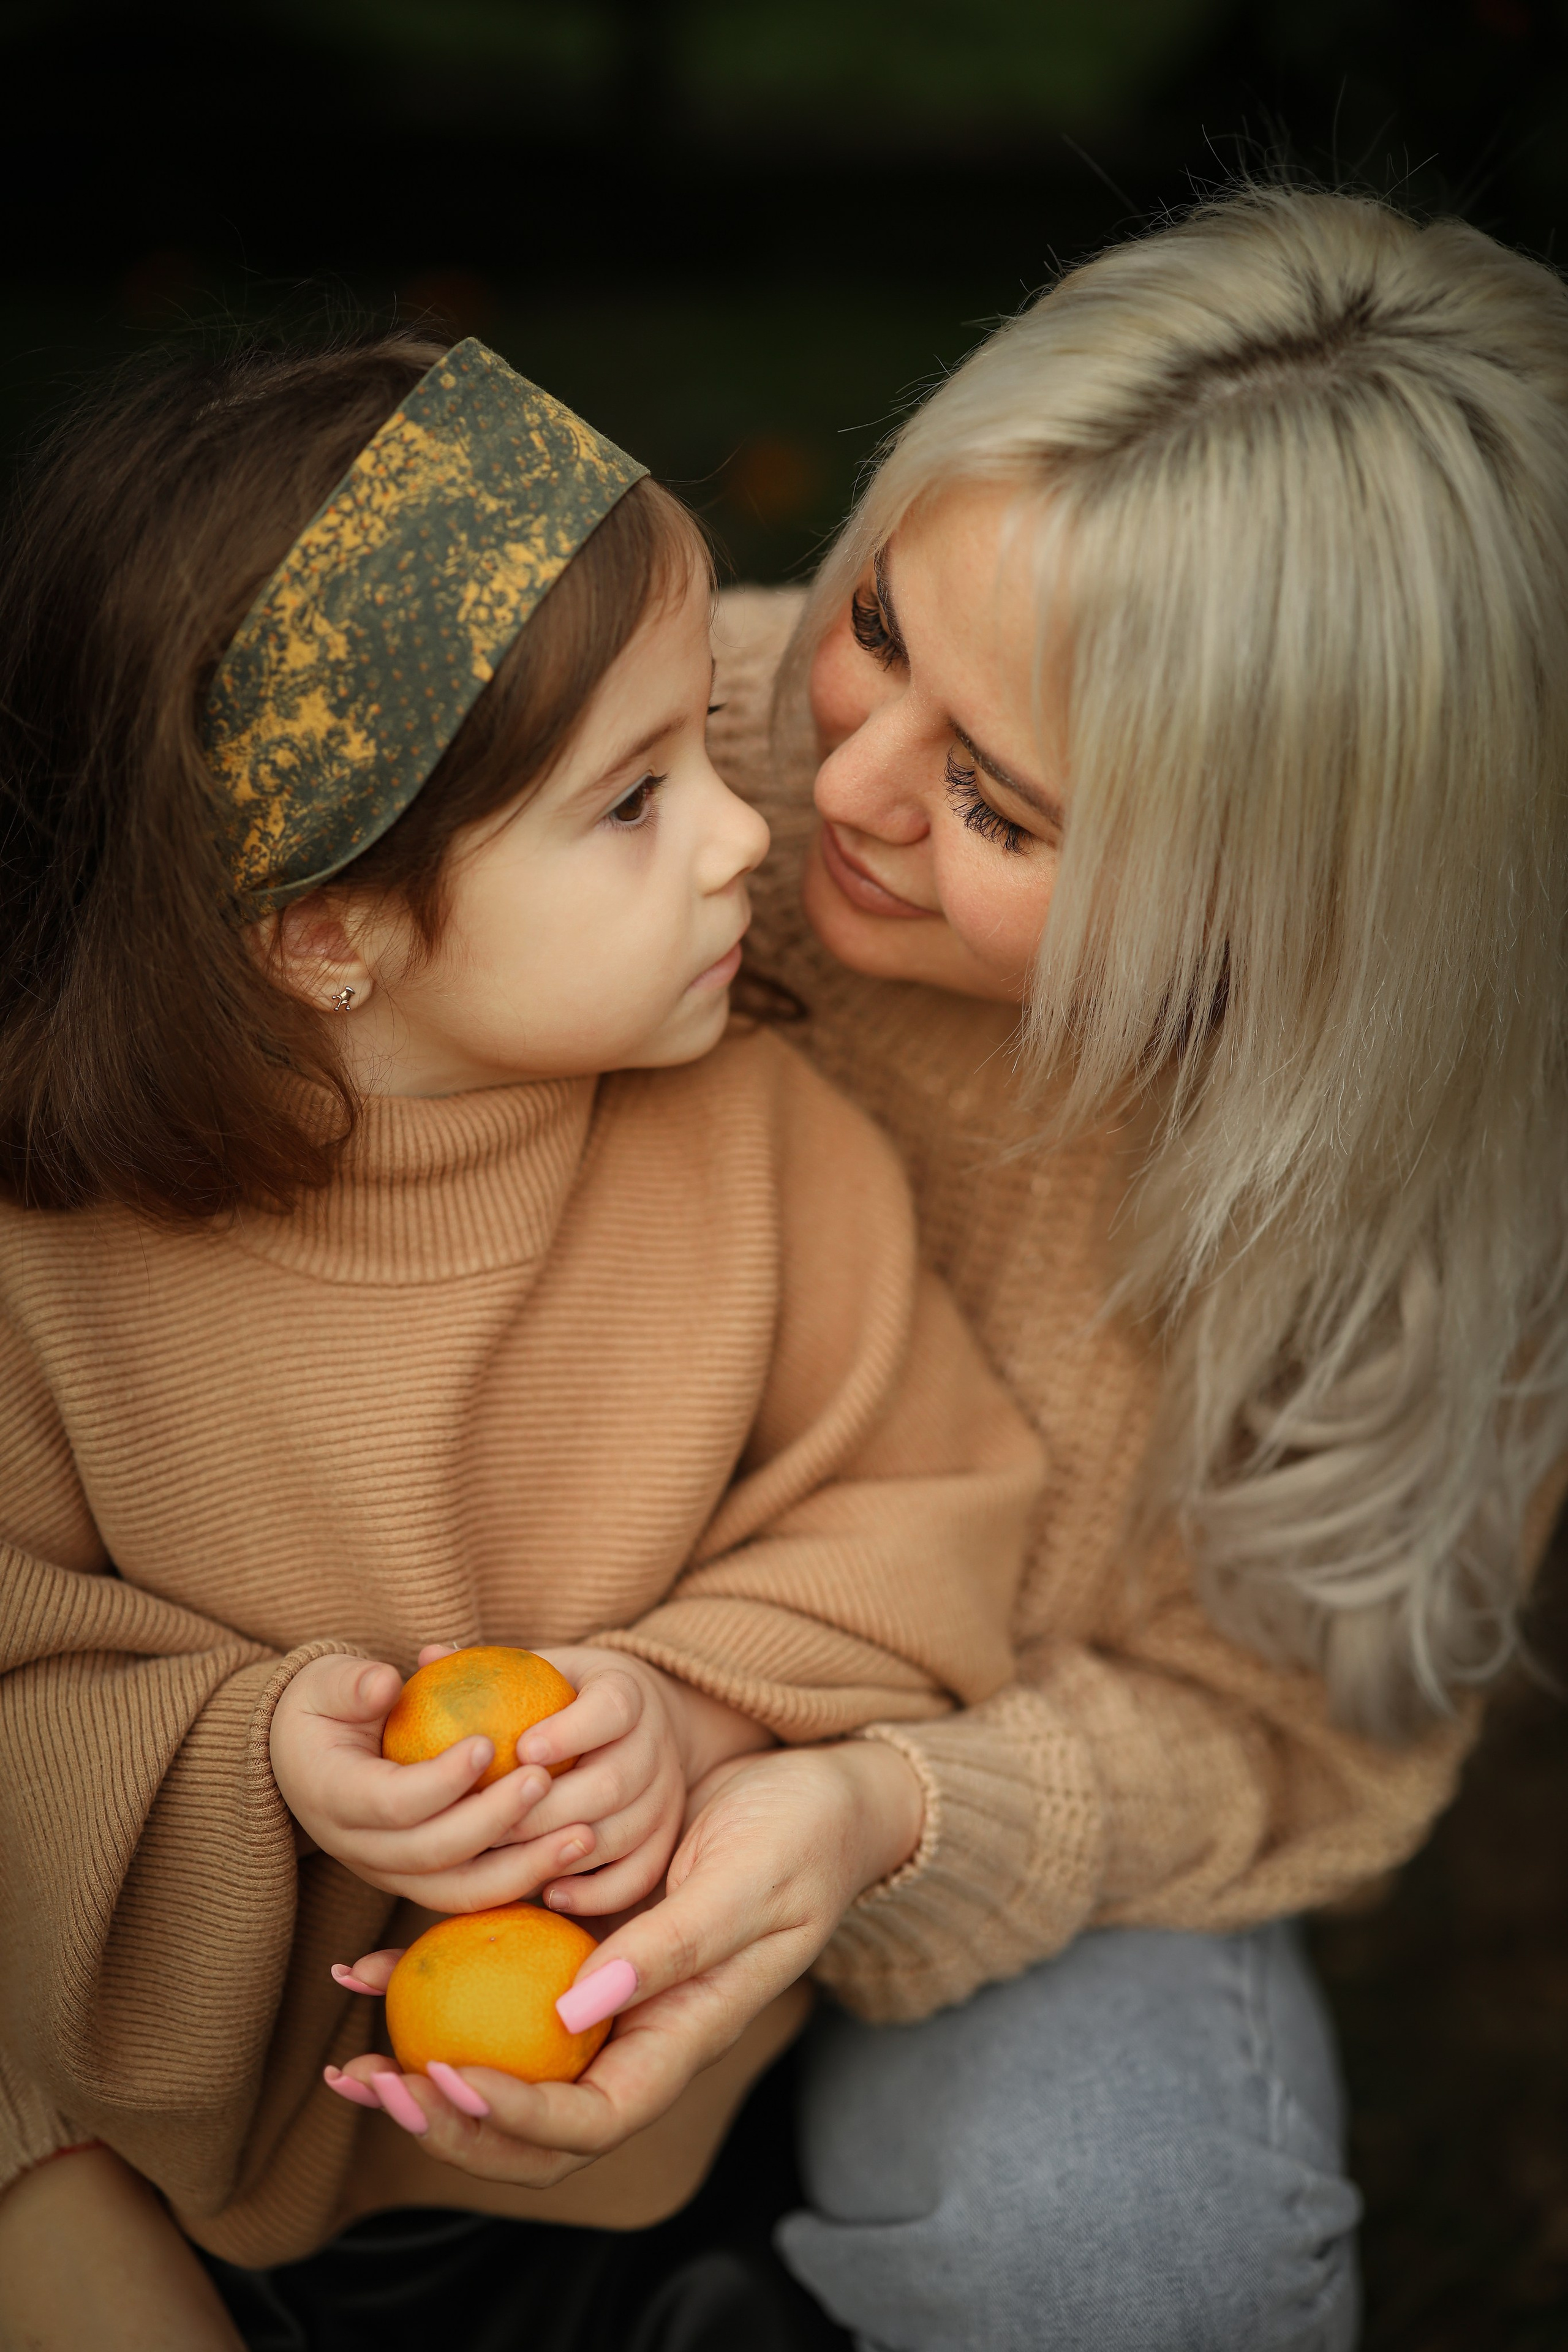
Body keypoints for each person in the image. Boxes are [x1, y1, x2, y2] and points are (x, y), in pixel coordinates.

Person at [0, 333, 1042, 2346]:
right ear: (330, 933)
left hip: (654, 2133)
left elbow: (922, 1514)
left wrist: (695, 1707)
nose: (747, 834)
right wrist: (248, 1756)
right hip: (172, 2175)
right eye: (636, 800)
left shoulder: (765, 1148)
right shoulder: (62, 1258)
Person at [637, 183, 1566, 2351]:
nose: (830, 782)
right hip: (423, 1744)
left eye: (1003, 804)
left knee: (1142, 2264)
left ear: (1300, 898)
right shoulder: (615, 761)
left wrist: (891, 1814)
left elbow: (1283, 1739)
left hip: (990, 1827)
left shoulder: (1454, 1181)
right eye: (881, 622)